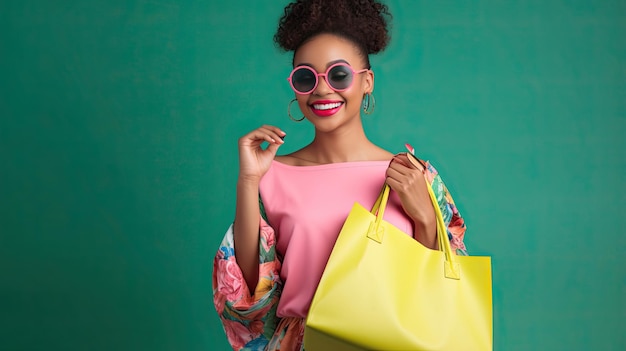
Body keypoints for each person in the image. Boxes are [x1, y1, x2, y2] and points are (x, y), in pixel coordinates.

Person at [213, 0, 467, 349]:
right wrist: (248, 182)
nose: (322, 89)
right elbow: (247, 291)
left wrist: (423, 217)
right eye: (306, 77)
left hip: (394, 341)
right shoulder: (274, 175)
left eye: (339, 74)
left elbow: (442, 284)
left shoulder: (411, 174)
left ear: (367, 82)